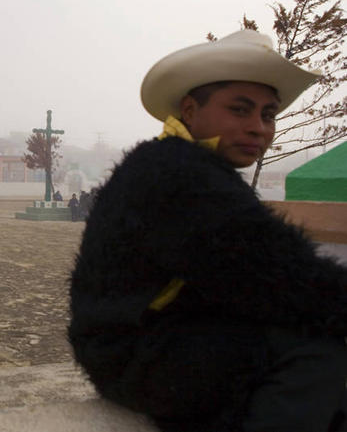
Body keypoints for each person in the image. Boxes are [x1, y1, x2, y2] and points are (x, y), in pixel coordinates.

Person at [68, 30, 347, 432]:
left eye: (267, 115)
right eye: (240, 110)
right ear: (190, 110)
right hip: (133, 355)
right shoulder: (174, 174)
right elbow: (279, 274)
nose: (258, 128)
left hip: (157, 341)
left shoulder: (180, 165)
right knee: (313, 349)